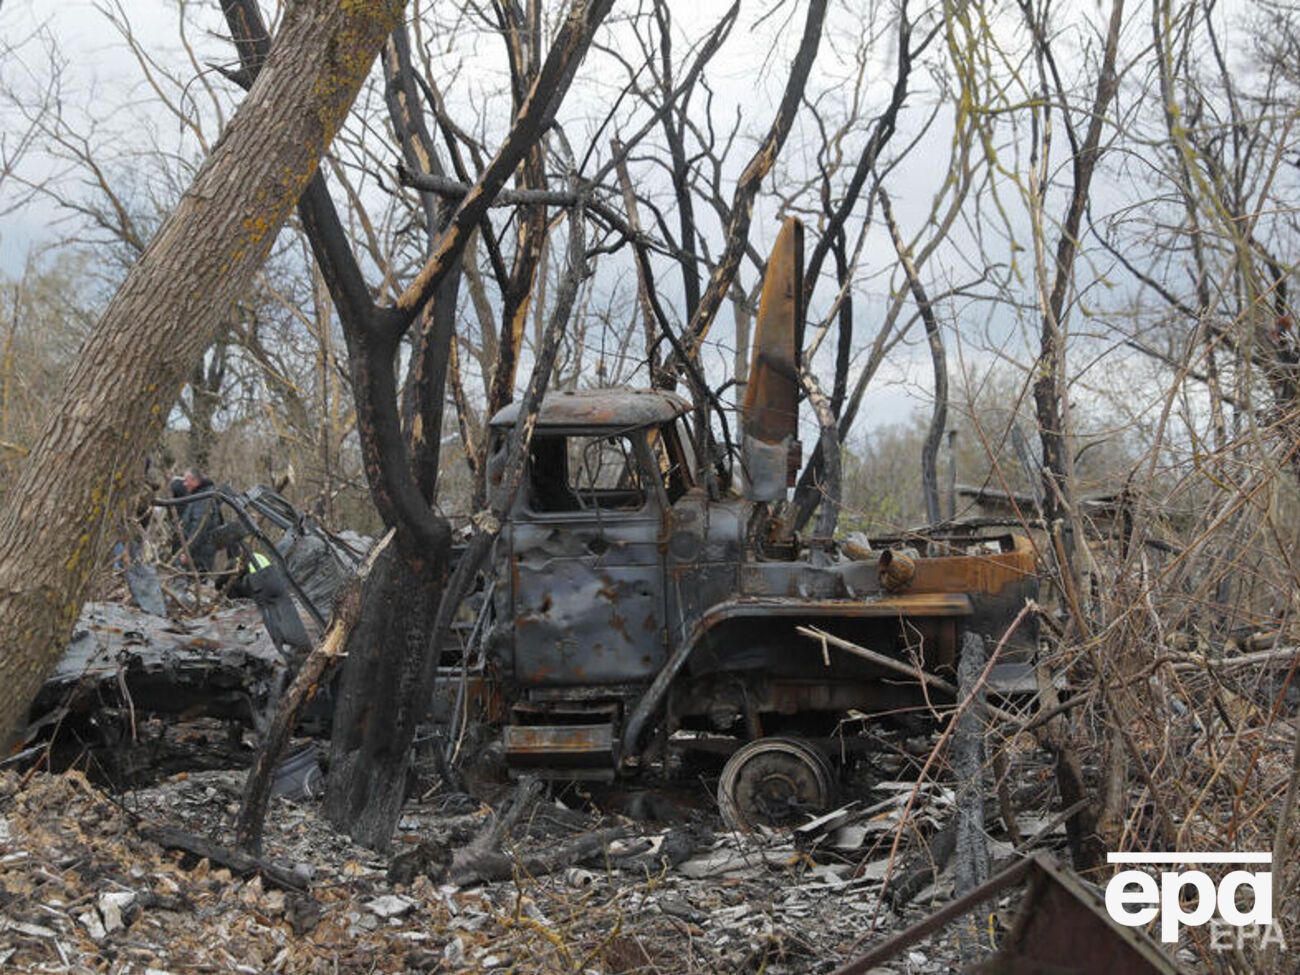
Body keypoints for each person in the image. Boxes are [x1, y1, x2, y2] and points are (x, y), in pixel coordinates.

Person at [175, 468, 222, 575]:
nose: (184, 484)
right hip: (198, 551)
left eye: (187, 481)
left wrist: (188, 552)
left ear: (195, 481)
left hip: (198, 554)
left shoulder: (203, 499)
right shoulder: (199, 495)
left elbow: (199, 527)